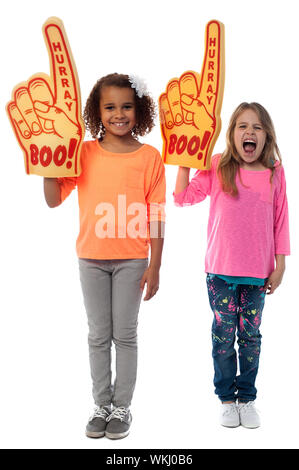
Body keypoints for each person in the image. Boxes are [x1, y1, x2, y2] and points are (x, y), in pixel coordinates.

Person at [43, 73, 166, 439]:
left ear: (139, 110)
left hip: (132, 260)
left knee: (125, 335)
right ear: (97, 111)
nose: (119, 114)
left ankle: (122, 408)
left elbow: (157, 213)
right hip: (91, 259)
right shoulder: (82, 152)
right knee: (98, 335)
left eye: (126, 106)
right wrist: (45, 161)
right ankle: (101, 405)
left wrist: (155, 264)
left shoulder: (150, 157)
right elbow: (52, 199)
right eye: (110, 106)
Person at [173, 102, 290, 429]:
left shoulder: (274, 173)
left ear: (266, 135)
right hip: (220, 272)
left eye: (256, 127)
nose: (249, 132)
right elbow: (183, 197)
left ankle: (247, 397)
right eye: (242, 126)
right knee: (224, 334)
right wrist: (184, 162)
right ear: (232, 133)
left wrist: (280, 264)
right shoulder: (217, 166)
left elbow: (281, 221)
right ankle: (226, 398)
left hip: (257, 274)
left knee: (250, 336)